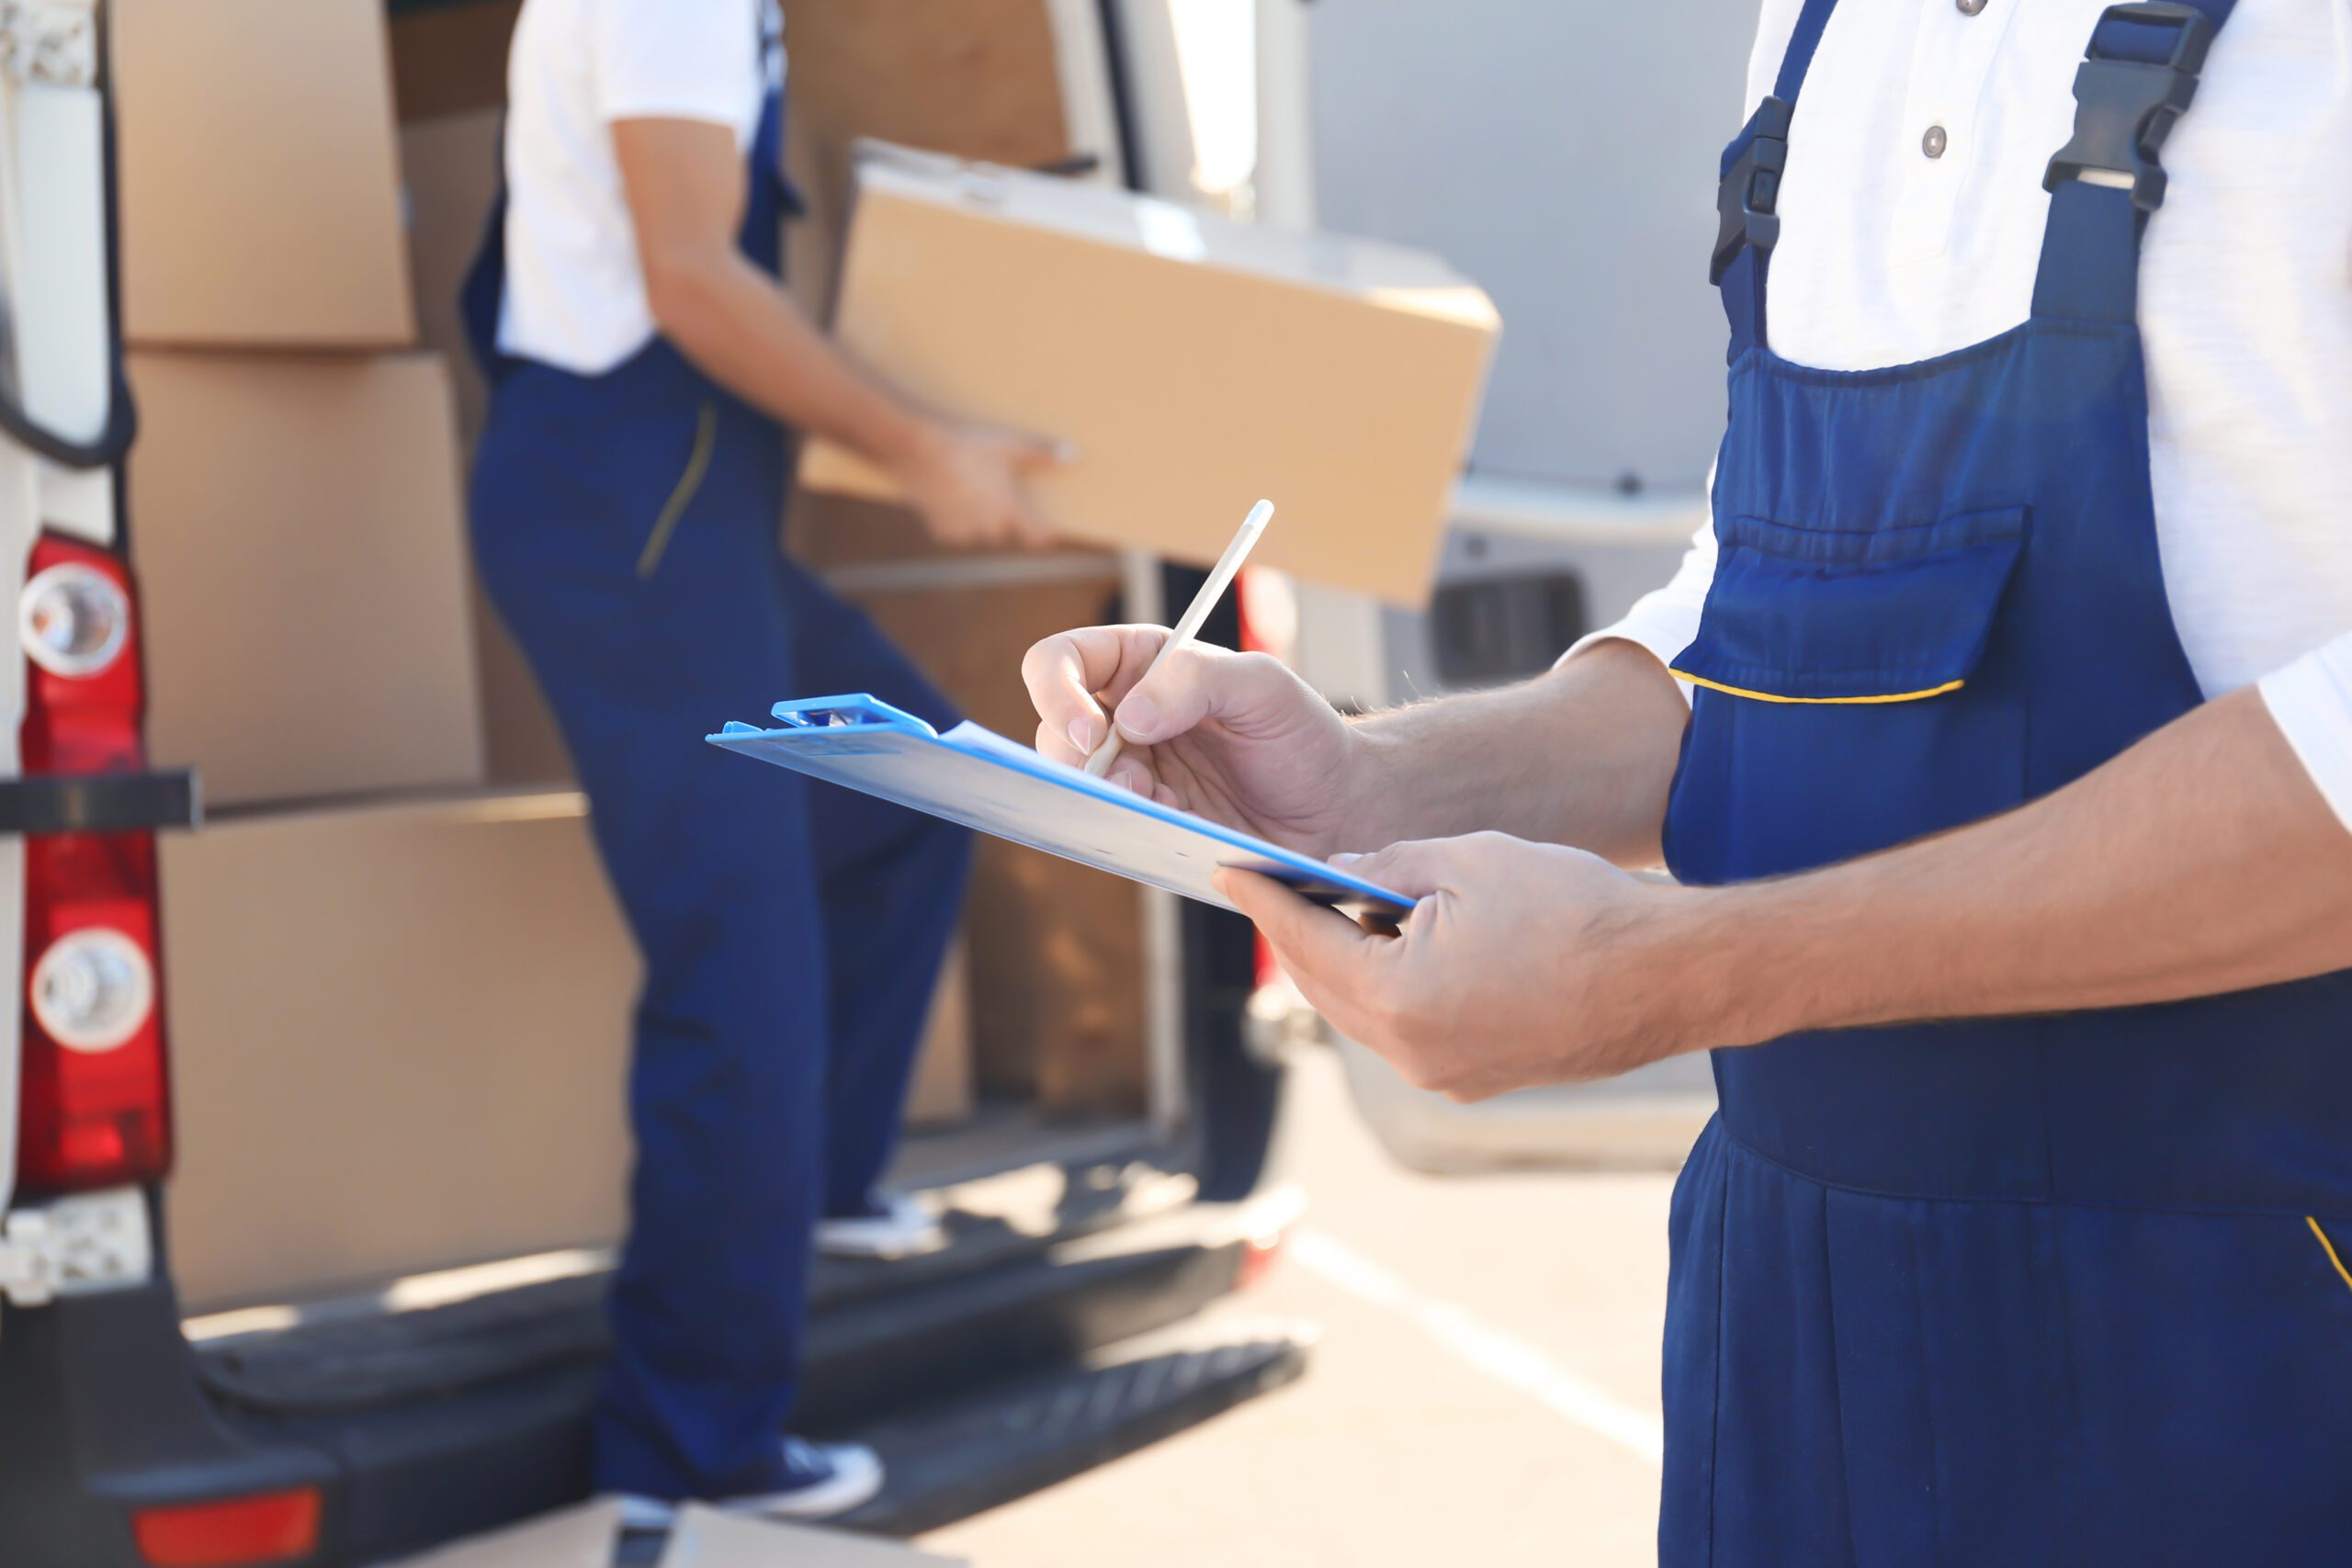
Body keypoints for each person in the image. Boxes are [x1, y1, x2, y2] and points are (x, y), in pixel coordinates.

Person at [1025, 0, 2352, 1560]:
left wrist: (1672, 974)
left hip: (2239, 1337)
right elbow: (1756, 630)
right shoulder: (1823, 37)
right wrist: (1365, 784)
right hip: (1790, 1335)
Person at [463, 0, 1058, 1529]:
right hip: (627, 509)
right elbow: (696, 281)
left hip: (665, 509)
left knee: (903, 788)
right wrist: (926, 449)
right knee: (740, 963)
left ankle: (822, 1187)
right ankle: (692, 1440)